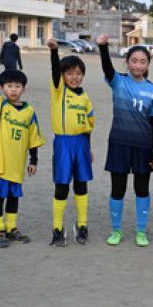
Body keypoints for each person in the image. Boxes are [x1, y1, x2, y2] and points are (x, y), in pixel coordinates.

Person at [96, 34, 153, 247]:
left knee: (142, 189)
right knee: (118, 189)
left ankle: (141, 231)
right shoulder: (119, 82)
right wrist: (103, 47)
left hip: (143, 147)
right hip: (119, 143)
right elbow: (107, 69)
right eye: (134, 60)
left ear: (148, 64)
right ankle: (116, 231)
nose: (138, 65)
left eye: (143, 61)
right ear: (127, 62)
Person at [0, 68, 44, 247]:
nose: (13, 90)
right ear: (2, 88)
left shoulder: (29, 111)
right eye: (9, 86)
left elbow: (33, 138)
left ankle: (11, 227)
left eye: (17, 86)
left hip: (17, 164)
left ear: (24, 88)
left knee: (14, 197)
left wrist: (33, 161)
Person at [47, 38, 95, 247]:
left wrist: (89, 147)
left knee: (82, 185)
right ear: (63, 75)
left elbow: (88, 126)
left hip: (81, 144)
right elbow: (54, 71)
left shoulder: (85, 98)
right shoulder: (59, 92)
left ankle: (82, 225)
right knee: (62, 186)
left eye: (78, 73)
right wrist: (54, 51)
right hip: (63, 144)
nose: (74, 77)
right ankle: (57, 228)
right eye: (69, 73)